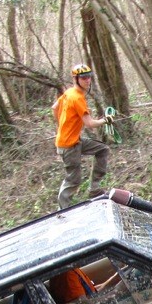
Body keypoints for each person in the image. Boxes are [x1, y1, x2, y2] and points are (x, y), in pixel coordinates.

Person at [52, 63, 113, 209]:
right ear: (76, 79)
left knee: (102, 149)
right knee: (73, 180)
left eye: (89, 77)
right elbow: (90, 123)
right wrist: (106, 120)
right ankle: (62, 210)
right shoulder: (77, 97)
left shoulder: (69, 93)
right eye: (84, 77)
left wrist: (61, 126)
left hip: (74, 141)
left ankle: (94, 189)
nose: (88, 80)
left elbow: (54, 108)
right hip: (68, 146)